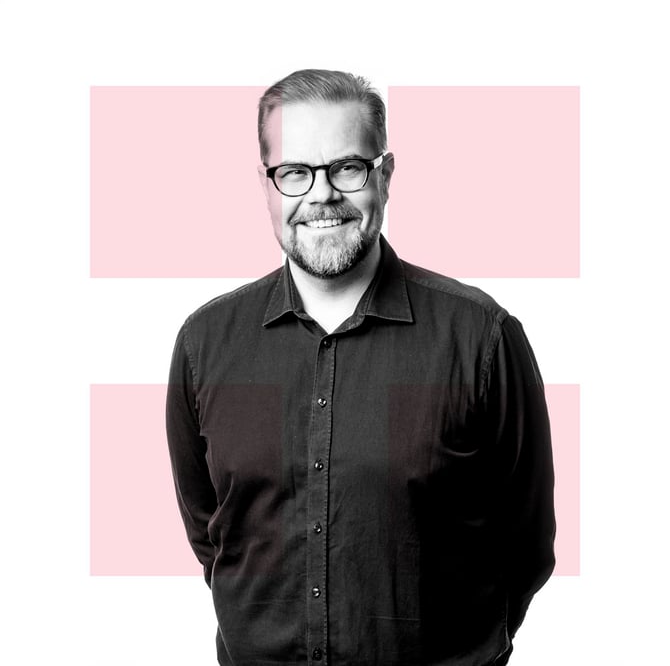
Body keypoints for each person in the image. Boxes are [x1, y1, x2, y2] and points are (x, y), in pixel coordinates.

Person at [166, 69, 555, 666]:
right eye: (294, 172)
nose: (321, 195)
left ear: (385, 176)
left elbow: (525, 544)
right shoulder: (205, 344)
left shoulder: (481, 338)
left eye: (348, 168)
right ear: (267, 185)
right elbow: (212, 535)